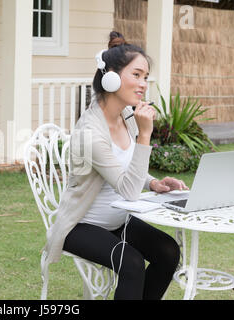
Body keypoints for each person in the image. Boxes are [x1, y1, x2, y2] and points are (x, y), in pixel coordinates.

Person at [44, 31, 189, 300]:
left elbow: (126, 169)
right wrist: (145, 136)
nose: (144, 84)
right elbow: (129, 191)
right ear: (110, 77)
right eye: (136, 75)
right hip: (81, 225)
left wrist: (154, 183)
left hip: (118, 221)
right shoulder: (90, 132)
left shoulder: (126, 116)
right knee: (132, 263)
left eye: (145, 77)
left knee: (168, 251)